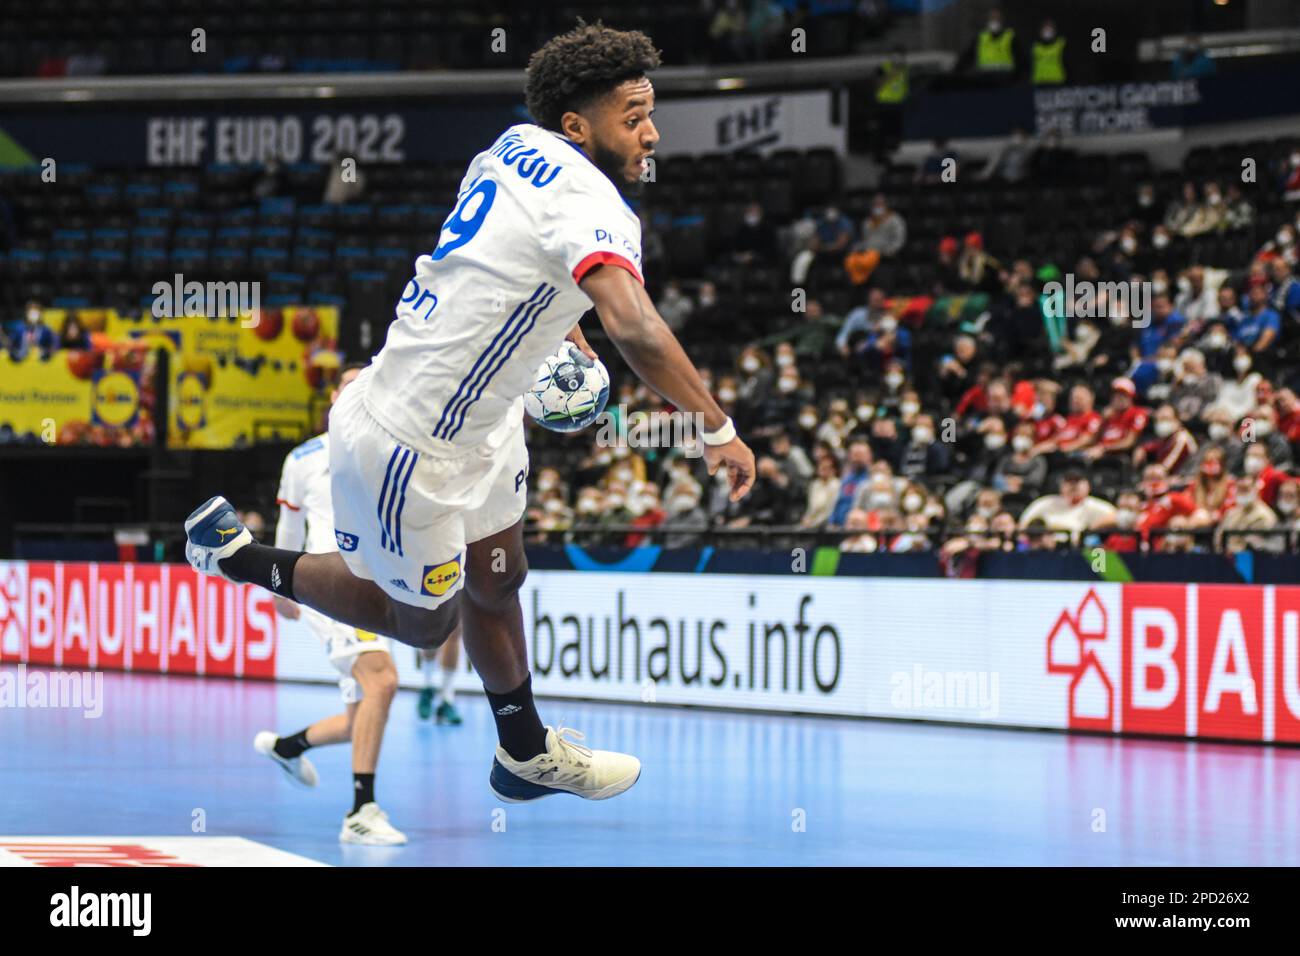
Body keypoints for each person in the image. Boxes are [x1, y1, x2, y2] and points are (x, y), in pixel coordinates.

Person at [185, 24, 756, 805]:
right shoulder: (594, 202)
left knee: (501, 577)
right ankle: (237, 558)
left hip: (483, 424)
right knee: (426, 625)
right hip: (408, 445)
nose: (652, 131)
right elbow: (637, 326)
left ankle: (524, 752)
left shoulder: (512, 145)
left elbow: (506, 263)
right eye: (633, 116)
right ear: (577, 127)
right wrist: (715, 429)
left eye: (650, 111)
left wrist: (565, 329)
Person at [257, 363, 405, 845]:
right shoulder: (304, 457)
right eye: (350, 384)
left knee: (360, 714)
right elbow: (288, 531)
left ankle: (287, 746)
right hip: (332, 584)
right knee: (381, 679)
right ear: (334, 400)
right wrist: (280, 587)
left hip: (379, 587)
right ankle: (361, 810)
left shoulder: (393, 448)